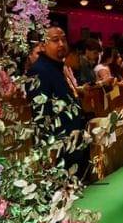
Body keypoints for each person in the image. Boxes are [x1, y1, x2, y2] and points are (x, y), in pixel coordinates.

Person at [26, 27, 89, 180]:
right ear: (42, 45)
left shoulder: (58, 67)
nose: (61, 44)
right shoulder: (39, 70)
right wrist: (51, 150)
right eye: (55, 40)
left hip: (73, 143)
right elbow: (41, 115)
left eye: (63, 39)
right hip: (58, 149)